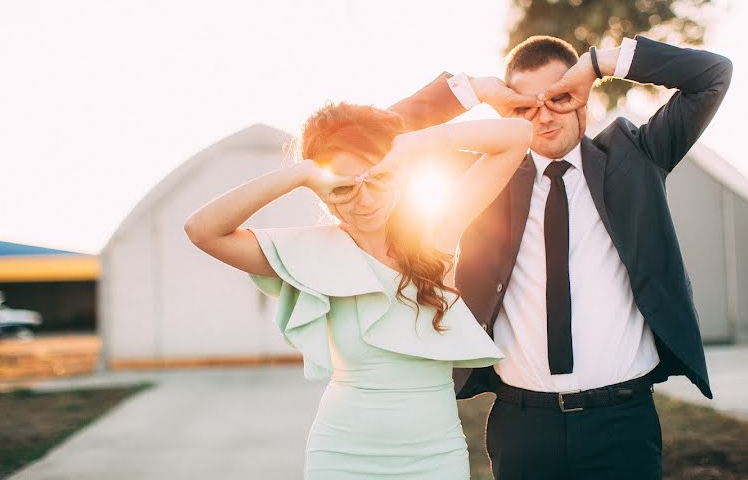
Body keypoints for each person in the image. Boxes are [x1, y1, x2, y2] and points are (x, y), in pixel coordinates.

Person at [382, 35, 733, 479]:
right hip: (523, 425)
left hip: (622, 423)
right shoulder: (486, 174)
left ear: (583, 96)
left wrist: (599, 62)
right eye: (525, 106)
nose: (543, 116)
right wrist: (476, 91)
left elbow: (713, 76)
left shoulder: (637, 155)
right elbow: (378, 140)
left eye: (558, 98)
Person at [183, 102, 534, 479]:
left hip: (435, 456)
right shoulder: (309, 253)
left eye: (377, 179)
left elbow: (516, 137)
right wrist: (302, 172)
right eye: (343, 187)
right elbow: (202, 229)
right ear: (322, 191)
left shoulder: (438, 234)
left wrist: (410, 145)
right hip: (343, 456)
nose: (364, 200)